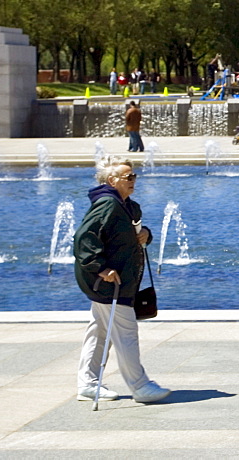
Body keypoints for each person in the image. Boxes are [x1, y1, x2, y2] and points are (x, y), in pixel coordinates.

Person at [74, 157, 170, 404]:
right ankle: (140, 386)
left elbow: (132, 233)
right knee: (126, 332)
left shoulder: (125, 205)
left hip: (115, 280)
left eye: (134, 176)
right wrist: (101, 268)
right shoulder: (108, 204)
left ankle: (87, 383)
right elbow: (84, 239)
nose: (133, 180)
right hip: (109, 282)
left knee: (99, 331)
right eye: (128, 177)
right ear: (112, 180)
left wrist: (146, 234)